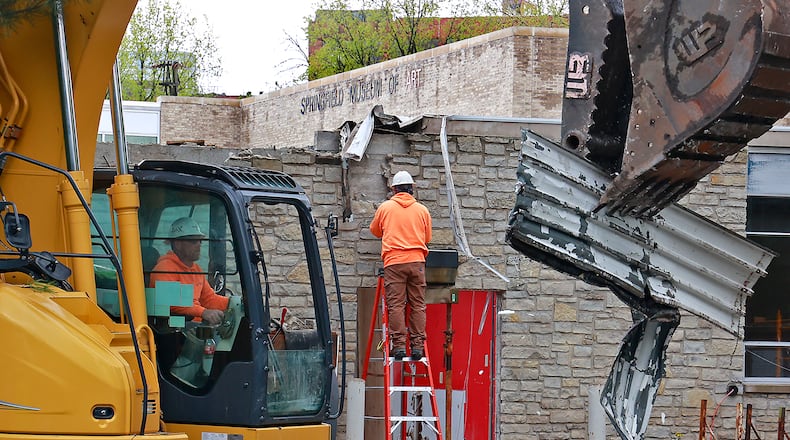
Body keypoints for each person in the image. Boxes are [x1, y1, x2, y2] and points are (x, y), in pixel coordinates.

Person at [370, 171, 432, 360]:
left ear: (394, 189)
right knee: (418, 305)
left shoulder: (385, 208)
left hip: (394, 262)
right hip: (417, 262)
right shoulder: (422, 210)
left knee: (396, 305)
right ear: (411, 188)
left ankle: (398, 347)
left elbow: (375, 231)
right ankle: (417, 347)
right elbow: (427, 238)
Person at [150, 217, 228, 325]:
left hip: (193, 326)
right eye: (193, 241)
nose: (199, 245)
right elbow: (172, 303)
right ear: (177, 243)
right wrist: (203, 312)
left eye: (200, 240)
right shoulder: (164, 269)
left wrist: (234, 303)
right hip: (173, 327)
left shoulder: (196, 269)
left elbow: (209, 299)